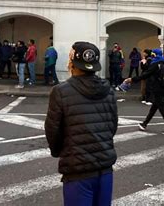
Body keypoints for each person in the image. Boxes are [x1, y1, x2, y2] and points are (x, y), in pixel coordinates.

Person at [45, 41, 118, 205]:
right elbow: (112, 127)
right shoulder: (108, 90)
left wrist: (59, 152)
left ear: (72, 62)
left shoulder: (60, 91)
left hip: (77, 170)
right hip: (105, 168)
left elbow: (53, 131)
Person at [125, 48, 164, 135]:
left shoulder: (155, 63)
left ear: (154, 55)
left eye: (153, 54)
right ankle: (144, 124)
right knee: (155, 106)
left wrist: (132, 79)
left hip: (158, 87)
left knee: (161, 107)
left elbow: (145, 74)